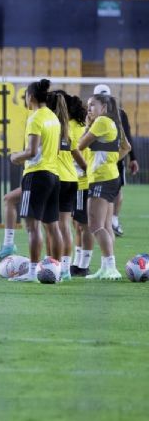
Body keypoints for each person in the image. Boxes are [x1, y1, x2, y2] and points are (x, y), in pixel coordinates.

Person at [8, 79, 63, 282]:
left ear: (30, 97)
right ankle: (56, 271)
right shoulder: (54, 118)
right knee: (52, 226)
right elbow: (56, 150)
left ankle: (32, 272)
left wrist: (15, 157)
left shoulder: (35, 118)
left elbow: (31, 152)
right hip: (53, 175)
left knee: (32, 226)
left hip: (36, 176)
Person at [78, 92, 131, 280]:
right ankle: (106, 267)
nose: (89, 108)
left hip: (100, 178)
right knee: (106, 225)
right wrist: (110, 160)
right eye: (88, 105)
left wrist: (87, 125)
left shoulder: (100, 122)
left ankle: (111, 267)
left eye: (92, 105)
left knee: (95, 225)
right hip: (111, 177)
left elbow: (80, 145)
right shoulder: (114, 123)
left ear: (104, 108)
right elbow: (126, 147)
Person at [46, 90, 87, 281]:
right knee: (65, 225)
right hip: (72, 179)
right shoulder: (67, 128)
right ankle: (64, 269)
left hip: (56, 178)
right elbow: (75, 152)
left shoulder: (50, 126)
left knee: (50, 227)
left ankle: (50, 266)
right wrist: (87, 169)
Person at [91, 84, 139, 237]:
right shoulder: (94, 114)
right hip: (102, 158)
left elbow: (127, 138)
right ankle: (106, 222)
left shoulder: (120, 114)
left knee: (116, 190)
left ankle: (113, 220)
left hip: (113, 158)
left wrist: (133, 158)